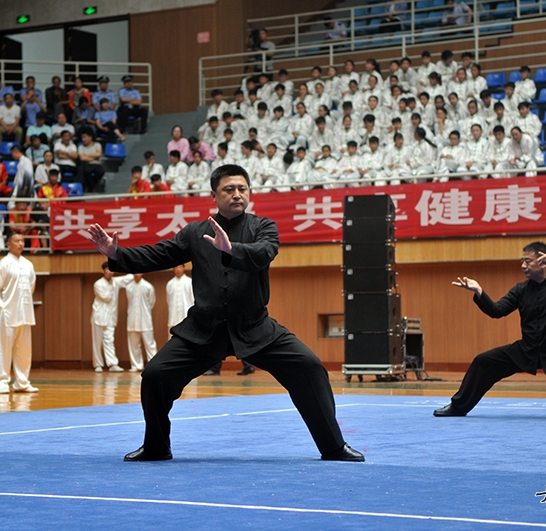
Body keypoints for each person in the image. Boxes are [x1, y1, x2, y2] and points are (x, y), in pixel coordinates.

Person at [85, 164, 364, 462]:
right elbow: (160, 254)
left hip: (255, 328)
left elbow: (264, 253)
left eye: (242, 189)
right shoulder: (195, 232)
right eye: (229, 190)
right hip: (203, 330)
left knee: (309, 367)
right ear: (214, 196)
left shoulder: (263, 227)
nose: (237, 195)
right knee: (155, 375)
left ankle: (333, 447)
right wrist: (117, 254)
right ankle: (156, 446)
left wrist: (231, 249)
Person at [435, 242, 546, 422]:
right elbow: (497, 310)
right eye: (522, 261)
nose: (523, 265)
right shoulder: (520, 289)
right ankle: (458, 407)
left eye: (528, 261)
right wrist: (479, 291)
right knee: (484, 361)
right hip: (528, 349)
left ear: (543, 262)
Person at [0, 232, 38, 394]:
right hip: (7, 313)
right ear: (8, 244)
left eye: (23, 241)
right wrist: (1, 304)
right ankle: (0, 382)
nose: (21, 244)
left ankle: (22, 381)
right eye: (17, 241)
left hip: (25, 313)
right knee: (3, 348)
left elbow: (31, 287)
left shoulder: (28, 264)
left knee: (24, 350)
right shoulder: (3, 264)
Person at [92, 263, 133, 373]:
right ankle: (98, 365)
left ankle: (112, 364)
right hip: (99, 316)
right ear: (103, 271)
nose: (110, 272)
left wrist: (134, 267)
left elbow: (128, 278)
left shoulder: (116, 281)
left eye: (112, 270)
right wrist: (111, 285)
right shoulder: (98, 284)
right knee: (97, 342)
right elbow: (106, 297)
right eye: (108, 270)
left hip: (111, 317)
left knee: (109, 340)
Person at [124, 274, 157, 372]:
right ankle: (136, 365)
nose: (136, 274)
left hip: (145, 319)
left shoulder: (148, 286)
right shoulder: (128, 287)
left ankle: (153, 365)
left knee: (150, 344)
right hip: (132, 320)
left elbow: (152, 302)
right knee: (134, 345)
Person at [165, 264, 194, 336]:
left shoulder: (189, 282)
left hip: (186, 316)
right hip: (173, 317)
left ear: (184, 268)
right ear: (173, 269)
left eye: (180, 267)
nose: (178, 269)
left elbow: (193, 299)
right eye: (176, 267)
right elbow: (168, 300)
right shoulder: (170, 284)